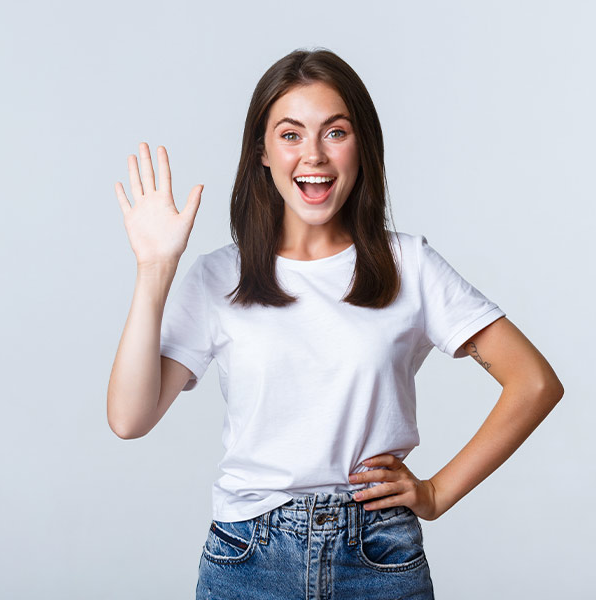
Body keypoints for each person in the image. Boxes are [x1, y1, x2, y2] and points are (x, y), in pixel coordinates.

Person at [108, 48, 564, 600]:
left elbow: (535, 382)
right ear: (263, 152)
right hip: (249, 558)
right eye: (291, 134)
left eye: (336, 132)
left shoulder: (408, 266)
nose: (314, 156)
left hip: (377, 554)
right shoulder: (218, 276)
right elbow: (129, 419)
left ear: (362, 147)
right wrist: (155, 270)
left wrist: (438, 493)